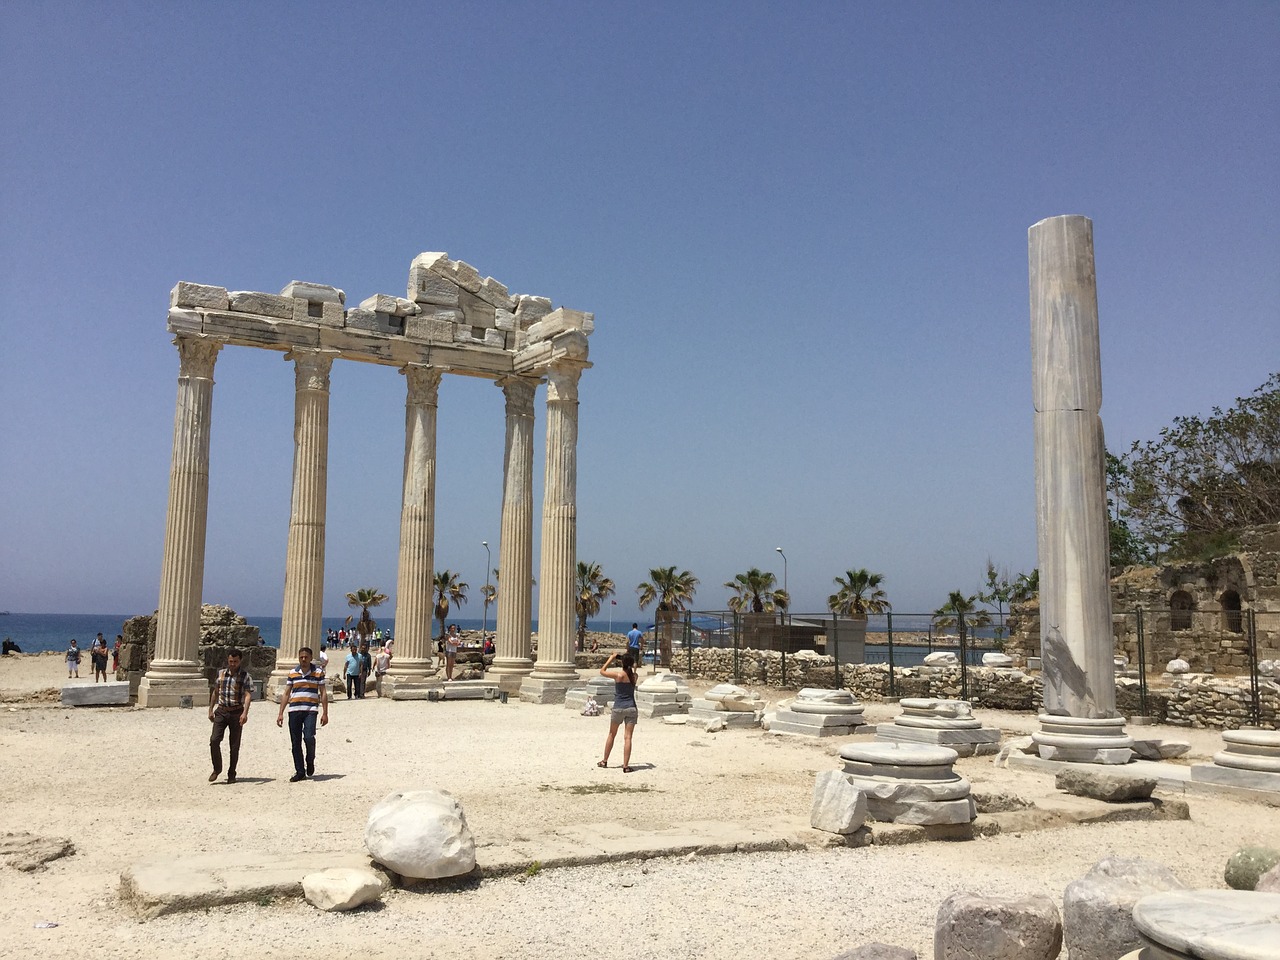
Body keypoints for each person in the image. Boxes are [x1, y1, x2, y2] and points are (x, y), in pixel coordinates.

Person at [276, 646, 328, 782]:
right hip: (294, 710)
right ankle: (300, 771)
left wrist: (325, 713)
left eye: (306, 657)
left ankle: (310, 759)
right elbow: (287, 692)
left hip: (310, 710)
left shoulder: (318, 672)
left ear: (311, 658)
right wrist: (280, 712)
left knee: (309, 737)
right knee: (295, 742)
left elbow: (322, 692)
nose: (303, 659)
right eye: (301, 657)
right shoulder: (293, 672)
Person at [207, 648, 252, 784]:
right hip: (221, 710)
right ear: (227, 660)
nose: (233, 664)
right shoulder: (221, 674)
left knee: (234, 745)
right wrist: (210, 709)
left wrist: (245, 713)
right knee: (214, 740)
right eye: (231, 661)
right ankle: (217, 768)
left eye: (235, 661)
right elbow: (215, 692)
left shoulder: (245, 676)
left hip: (236, 711)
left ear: (240, 661)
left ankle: (232, 772)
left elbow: (248, 695)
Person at [597, 652, 638, 773]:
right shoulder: (634, 676)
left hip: (618, 707)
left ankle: (604, 761)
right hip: (631, 707)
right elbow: (634, 668)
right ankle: (626, 766)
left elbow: (602, 671)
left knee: (611, 734)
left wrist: (611, 658)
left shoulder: (618, 675)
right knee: (628, 738)